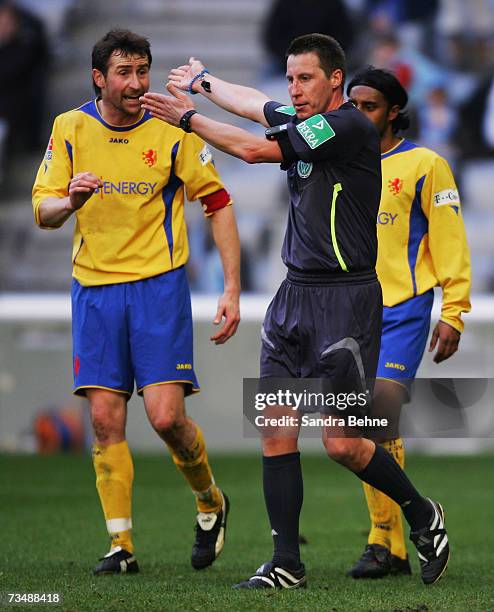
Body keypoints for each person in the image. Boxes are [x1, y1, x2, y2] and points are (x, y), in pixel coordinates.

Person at [141, 33, 450, 589]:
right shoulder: (305, 114)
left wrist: (186, 117)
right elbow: (253, 103)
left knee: (343, 444)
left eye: (305, 78)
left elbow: (256, 149)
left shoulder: (348, 125)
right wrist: (203, 81)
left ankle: (423, 513)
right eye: (289, 78)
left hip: (345, 301)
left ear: (336, 81)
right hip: (294, 296)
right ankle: (288, 562)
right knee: (276, 428)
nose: (294, 89)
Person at [32, 29, 240, 575]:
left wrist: (231, 287)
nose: (136, 83)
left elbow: (218, 203)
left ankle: (210, 501)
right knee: (104, 420)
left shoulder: (172, 128)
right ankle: (121, 546)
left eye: (142, 71)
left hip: (158, 288)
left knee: (167, 418)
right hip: (95, 290)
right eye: (123, 73)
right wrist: (69, 199)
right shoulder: (70, 128)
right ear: (98, 78)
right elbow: (44, 212)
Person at [346, 67, 470, 578]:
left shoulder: (425, 164)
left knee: (379, 410)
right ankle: (391, 544)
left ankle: (384, 540)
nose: (358, 115)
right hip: (351, 308)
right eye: (351, 105)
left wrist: (454, 311)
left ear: (394, 110)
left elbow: (448, 238)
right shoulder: (342, 161)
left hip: (405, 307)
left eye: (369, 106)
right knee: (361, 425)